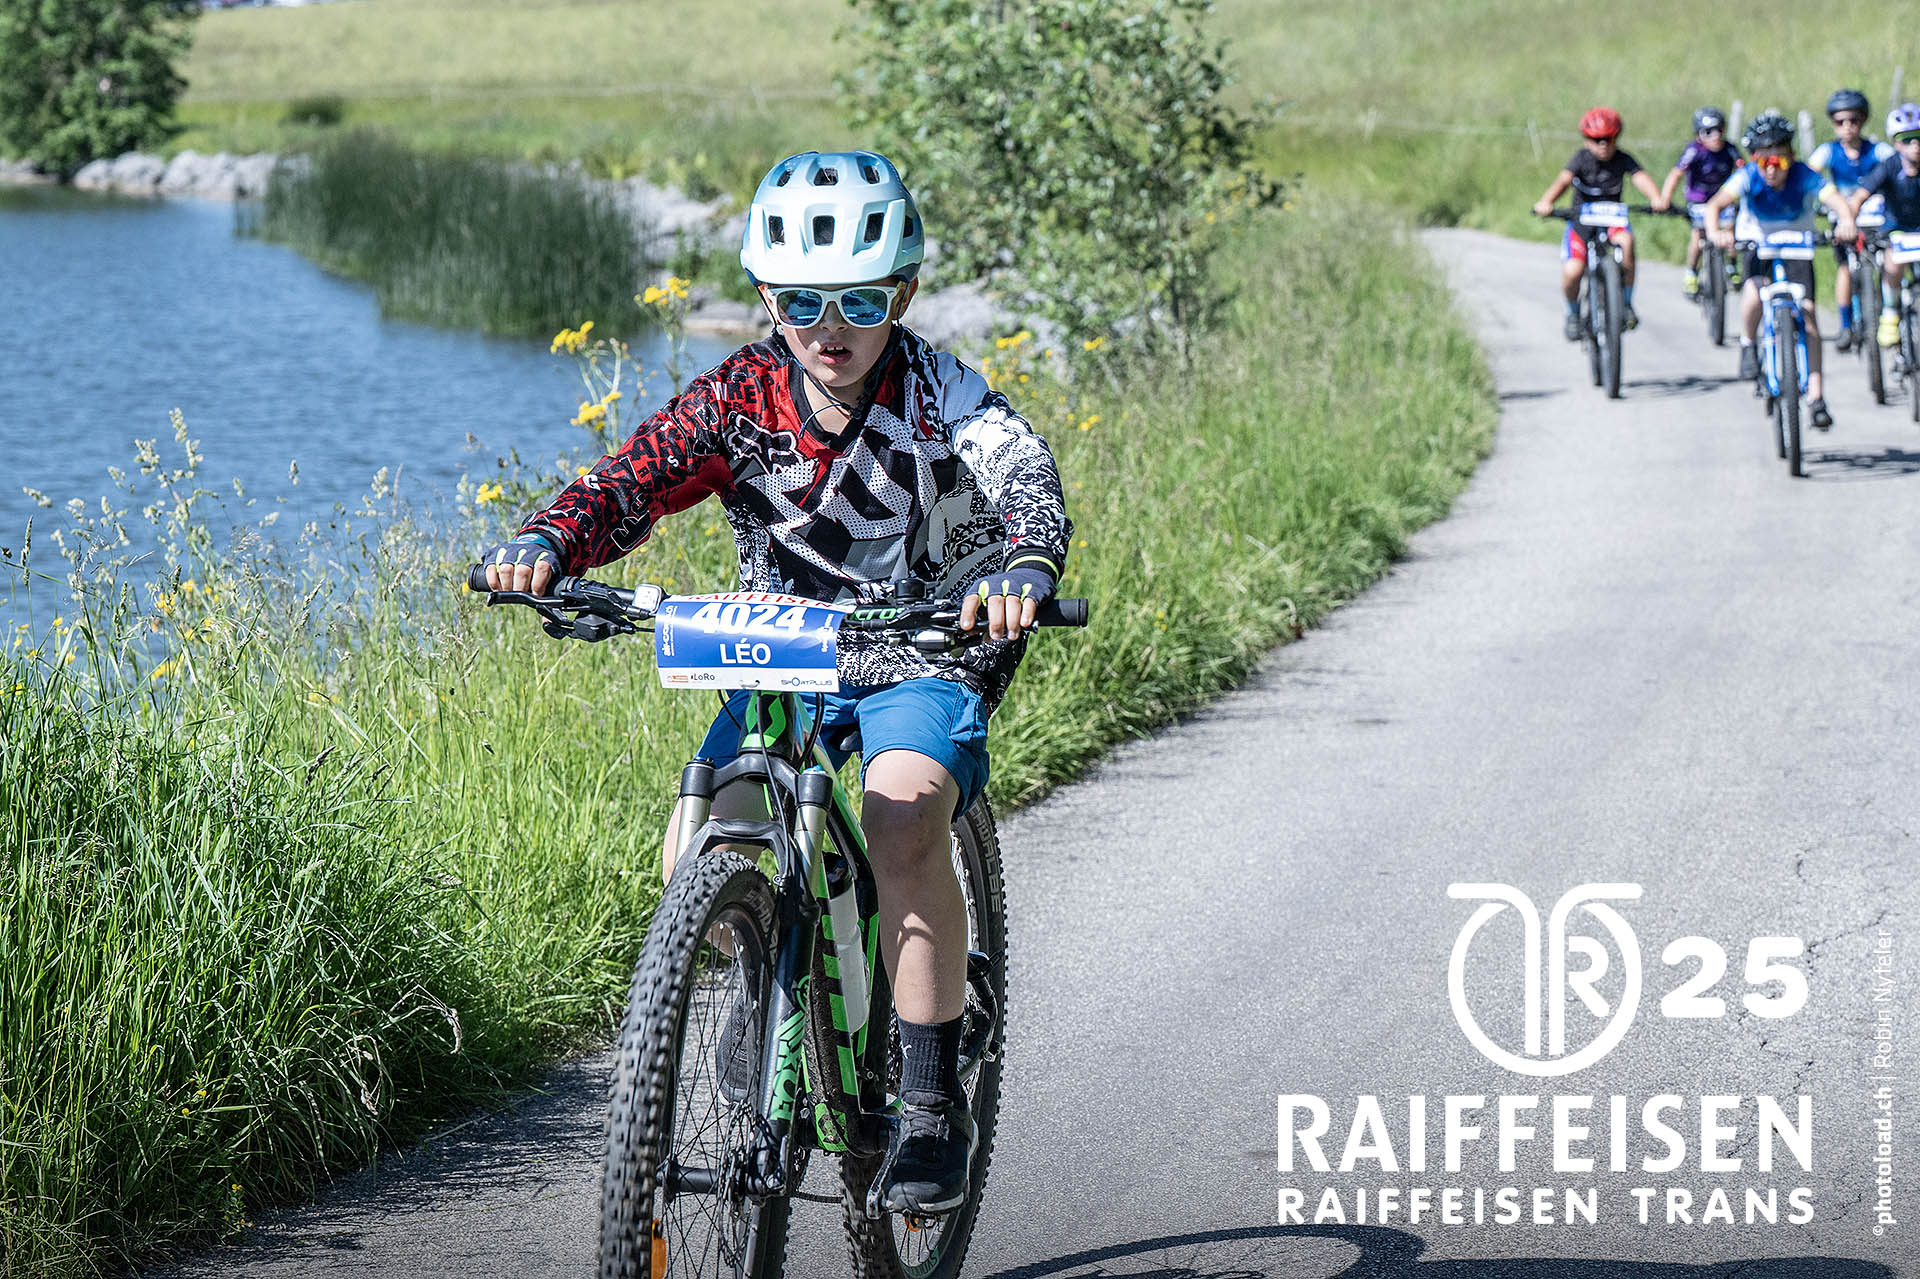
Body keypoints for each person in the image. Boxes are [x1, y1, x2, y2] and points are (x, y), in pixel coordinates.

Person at [479, 150, 1073, 1216]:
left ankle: (929, 1100)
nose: (828, 327)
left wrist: (1026, 566)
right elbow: (635, 475)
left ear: (904, 293)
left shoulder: (941, 394)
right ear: (766, 293)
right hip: (784, 650)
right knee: (702, 836)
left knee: (900, 818)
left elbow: (1020, 468)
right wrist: (549, 540)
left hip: (929, 637)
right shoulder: (740, 395)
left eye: (859, 301)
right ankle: (771, 964)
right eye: (801, 301)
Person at [1703, 112, 1858, 429]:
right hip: (1757, 244)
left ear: (1792, 157)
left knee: (1809, 315)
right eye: (1764, 162)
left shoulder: (1805, 175)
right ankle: (1748, 344)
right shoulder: (1747, 177)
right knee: (1754, 294)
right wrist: (1716, 232)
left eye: (1780, 161)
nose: (1772, 169)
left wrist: (1846, 221)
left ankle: (1816, 397)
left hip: (1797, 248)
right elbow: (1714, 205)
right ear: (1754, 160)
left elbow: (1835, 200)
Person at [1532, 106, 1669, 340]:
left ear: (1617, 138)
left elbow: (1640, 178)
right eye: (1597, 140)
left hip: (1613, 222)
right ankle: (1573, 314)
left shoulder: (1623, 158)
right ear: (1587, 140)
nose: (1603, 145)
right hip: (1581, 224)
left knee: (1627, 242)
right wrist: (1546, 202)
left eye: (1609, 139)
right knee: (1573, 271)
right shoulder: (1581, 159)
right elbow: (1563, 181)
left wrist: (1656, 197)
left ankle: (1626, 303)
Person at [1807, 89, 1893, 350]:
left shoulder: (1877, 150)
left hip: (1876, 218)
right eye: (1840, 121)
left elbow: (1897, 166)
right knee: (1845, 267)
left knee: (1889, 262)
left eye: (1853, 120)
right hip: (1843, 220)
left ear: (1863, 120)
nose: (1847, 126)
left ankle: (1892, 313)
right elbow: (1808, 177)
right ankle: (1845, 324)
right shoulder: (1828, 151)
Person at [1848, 103, 1920, 348]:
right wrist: (1848, 221)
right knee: (1893, 262)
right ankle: (1890, 312)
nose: (1915, 144)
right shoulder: (1888, 166)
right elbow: (1859, 196)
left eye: (1919, 138)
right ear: (1896, 143)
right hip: (1896, 229)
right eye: (1907, 139)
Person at [1659, 107, 1743, 298]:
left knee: (1730, 229)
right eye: (1708, 132)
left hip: (1723, 199)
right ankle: (1692, 272)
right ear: (1698, 135)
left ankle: (1732, 265)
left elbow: (1743, 171)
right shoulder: (1694, 150)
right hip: (1699, 200)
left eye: (1719, 130)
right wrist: (1665, 199)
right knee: (1698, 235)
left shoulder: (1730, 149)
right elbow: (1676, 174)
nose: (1715, 136)